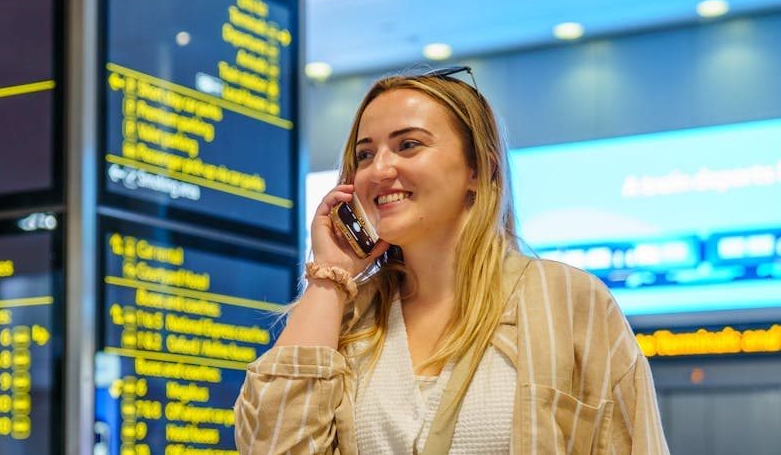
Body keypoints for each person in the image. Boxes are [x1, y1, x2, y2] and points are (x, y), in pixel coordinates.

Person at [234, 67, 669, 454]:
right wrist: (330, 278)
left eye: (408, 145)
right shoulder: (344, 321)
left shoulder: (570, 301)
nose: (380, 169)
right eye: (365, 154)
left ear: (479, 170)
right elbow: (271, 446)